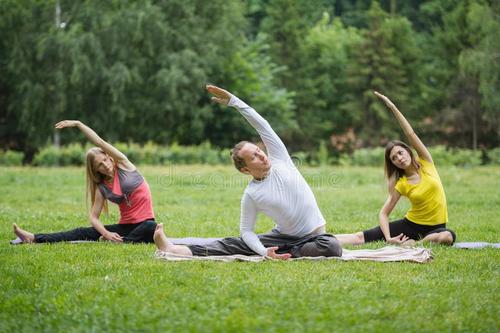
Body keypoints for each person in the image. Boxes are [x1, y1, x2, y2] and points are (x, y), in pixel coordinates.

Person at [153, 85, 342, 259]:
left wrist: (235, 102)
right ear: (245, 169)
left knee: (332, 246)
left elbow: (262, 125)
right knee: (234, 244)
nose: (261, 156)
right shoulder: (252, 194)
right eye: (253, 157)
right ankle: (175, 248)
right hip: (283, 237)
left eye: (258, 150)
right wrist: (263, 251)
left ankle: (288, 251)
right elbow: (247, 231)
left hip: (315, 238)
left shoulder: (281, 159)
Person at [335, 92, 456, 246]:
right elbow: (384, 213)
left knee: (447, 237)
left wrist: (392, 107)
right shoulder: (402, 184)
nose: (399, 158)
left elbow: (410, 134)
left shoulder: (426, 162)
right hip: (411, 225)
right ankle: (319, 238)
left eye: (400, 152)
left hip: (437, 228)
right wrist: (388, 237)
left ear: (408, 151)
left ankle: (415, 244)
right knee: (360, 237)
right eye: (394, 158)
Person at [12, 120, 157, 244]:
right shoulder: (102, 188)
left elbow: (99, 141)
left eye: (105, 159)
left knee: (152, 226)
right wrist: (106, 234)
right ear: (96, 170)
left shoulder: (124, 164)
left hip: (145, 223)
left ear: (109, 156)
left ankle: (124, 241)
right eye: (100, 164)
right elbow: (93, 218)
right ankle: (33, 238)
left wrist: (78, 124)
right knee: (81, 232)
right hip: (126, 226)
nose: (105, 164)